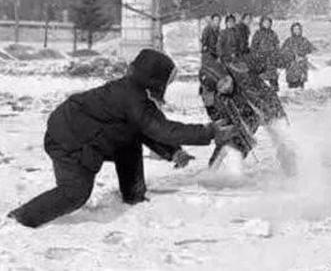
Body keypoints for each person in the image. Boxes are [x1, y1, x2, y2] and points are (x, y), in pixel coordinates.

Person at [6, 49, 238, 228]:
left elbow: (146, 128)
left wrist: (172, 152)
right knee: (75, 193)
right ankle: (21, 219)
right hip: (69, 140)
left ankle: (133, 196)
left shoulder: (132, 93)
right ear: (154, 79)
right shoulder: (132, 99)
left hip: (79, 131)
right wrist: (209, 132)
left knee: (128, 140)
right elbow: (161, 129)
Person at [281, 22, 316, 89]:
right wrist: (292, 57)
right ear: (292, 30)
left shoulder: (304, 40)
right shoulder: (288, 41)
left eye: (298, 29)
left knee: (301, 87)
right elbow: (283, 52)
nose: (297, 31)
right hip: (291, 67)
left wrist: (303, 57)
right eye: (295, 29)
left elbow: (311, 50)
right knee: (292, 87)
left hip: (301, 67)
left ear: (300, 30)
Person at [251, 16, 281, 91]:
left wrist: (277, 57)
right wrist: (256, 56)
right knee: (259, 77)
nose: (267, 24)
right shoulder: (258, 33)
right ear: (262, 23)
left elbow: (277, 46)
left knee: (273, 78)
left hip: (271, 59)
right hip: (261, 59)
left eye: (268, 23)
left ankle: (274, 93)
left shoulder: (273, 34)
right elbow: (254, 46)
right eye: (265, 22)